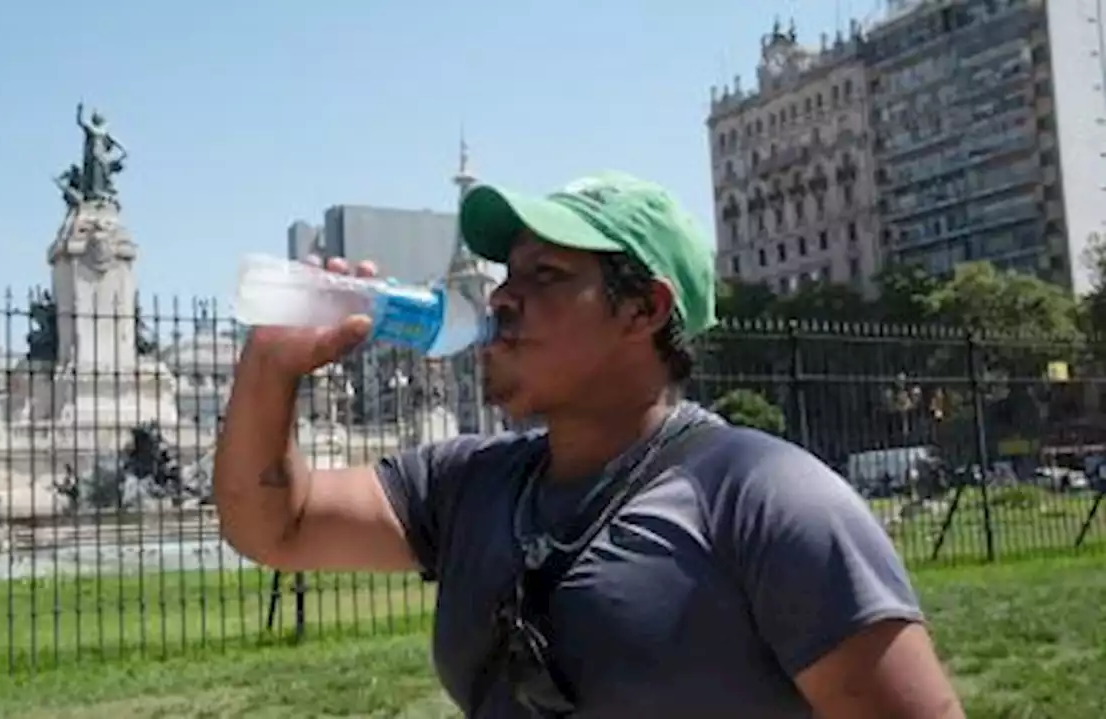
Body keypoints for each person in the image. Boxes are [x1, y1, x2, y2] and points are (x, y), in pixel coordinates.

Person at [213, 172, 963, 718]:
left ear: (644, 308)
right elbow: (276, 524)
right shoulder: (470, 482)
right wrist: (272, 364)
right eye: (509, 272)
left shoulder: (769, 499)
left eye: (547, 273)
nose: (503, 296)